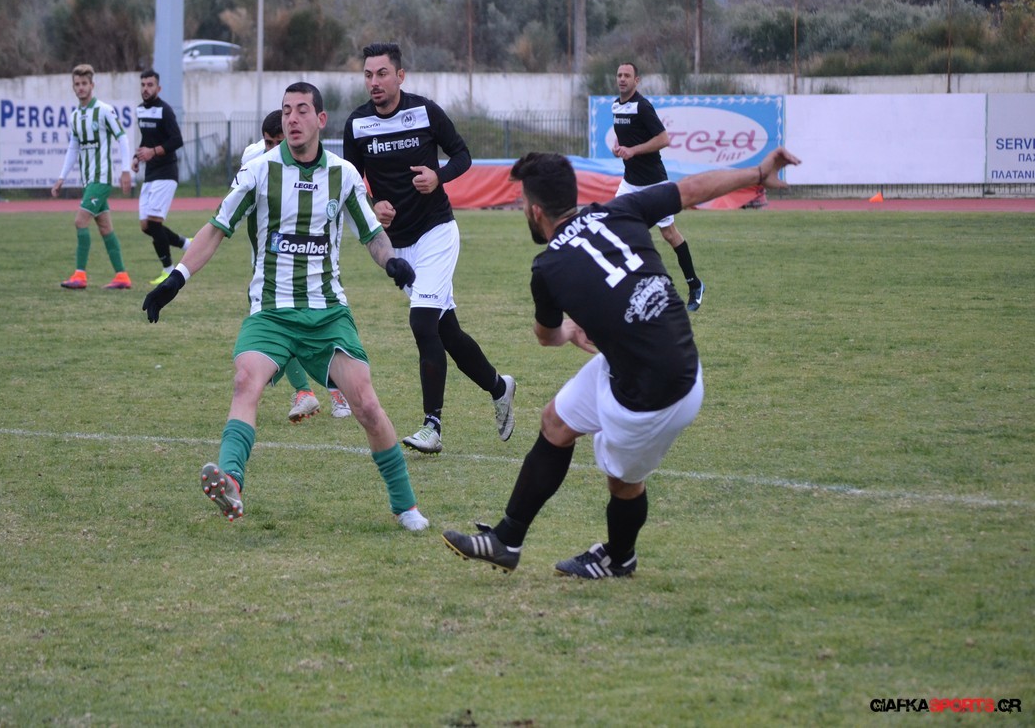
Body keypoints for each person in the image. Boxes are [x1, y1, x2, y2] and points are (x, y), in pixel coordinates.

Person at [443, 146, 801, 577]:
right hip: (661, 356)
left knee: (624, 482)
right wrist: (758, 171)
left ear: (536, 211)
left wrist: (569, 332)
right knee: (556, 422)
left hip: (658, 394)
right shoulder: (619, 209)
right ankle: (507, 539)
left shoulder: (548, 268)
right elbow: (692, 189)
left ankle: (619, 557)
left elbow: (545, 336)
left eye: (523, 203)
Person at [142, 82, 429, 531]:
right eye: (286, 110)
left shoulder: (343, 174)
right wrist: (176, 278)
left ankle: (405, 505)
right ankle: (230, 481)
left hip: (327, 313)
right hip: (271, 312)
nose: (292, 118)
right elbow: (216, 227)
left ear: (320, 120)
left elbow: (373, 234)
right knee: (245, 381)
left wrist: (391, 261)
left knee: (367, 405)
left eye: (301, 110)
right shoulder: (258, 171)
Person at [343, 42, 515, 455]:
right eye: (368, 75)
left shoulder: (425, 112)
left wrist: (438, 176)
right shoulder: (357, 125)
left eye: (382, 74)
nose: (374, 82)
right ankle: (499, 387)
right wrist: (373, 205)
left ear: (400, 76)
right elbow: (351, 184)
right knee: (445, 330)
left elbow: (463, 155)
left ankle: (432, 427)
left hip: (437, 232)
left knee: (422, 323)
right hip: (397, 246)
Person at [242, 110, 352, 422]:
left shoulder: (316, 164)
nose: (273, 148)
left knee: (315, 327)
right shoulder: (254, 159)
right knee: (279, 326)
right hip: (267, 265)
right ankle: (304, 392)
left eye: (277, 142)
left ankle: (336, 389)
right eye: (268, 142)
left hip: (308, 264)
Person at [610, 61, 705, 311]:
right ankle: (628, 291)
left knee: (669, 234)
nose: (622, 79)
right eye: (619, 75)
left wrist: (633, 150)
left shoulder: (643, 106)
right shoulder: (615, 106)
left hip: (654, 183)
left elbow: (663, 139)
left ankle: (695, 284)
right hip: (629, 183)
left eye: (627, 75)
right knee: (615, 230)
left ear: (636, 80)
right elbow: (624, 136)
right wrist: (618, 147)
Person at [53, 63, 133, 290]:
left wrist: (125, 170)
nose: (80, 87)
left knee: (80, 221)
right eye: (77, 84)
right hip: (89, 180)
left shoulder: (104, 110)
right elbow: (73, 148)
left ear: (92, 85)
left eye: (84, 83)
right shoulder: (75, 116)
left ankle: (80, 275)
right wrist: (61, 177)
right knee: (105, 228)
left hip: (102, 178)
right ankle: (122, 276)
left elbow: (122, 138)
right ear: (73, 87)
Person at [131, 69, 191, 286]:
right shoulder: (140, 110)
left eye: (150, 85)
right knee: (145, 226)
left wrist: (153, 152)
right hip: (150, 173)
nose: (146, 89)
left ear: (158, 88)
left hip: (166, 172)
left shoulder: (165, 110)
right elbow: (146, 140)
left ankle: (168, 270)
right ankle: (186, 244)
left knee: (154, 223)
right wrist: (137, 157)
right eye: (143, 85)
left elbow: (177, 140)